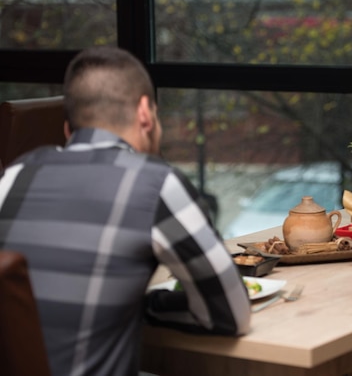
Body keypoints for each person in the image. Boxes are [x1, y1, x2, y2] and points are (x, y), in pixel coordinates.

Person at [0, 46, 251, 376]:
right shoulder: (156, 182)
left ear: (67, 130)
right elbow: (230, 313)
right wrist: (148, 306)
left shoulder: (12, 177)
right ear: (146, 113)